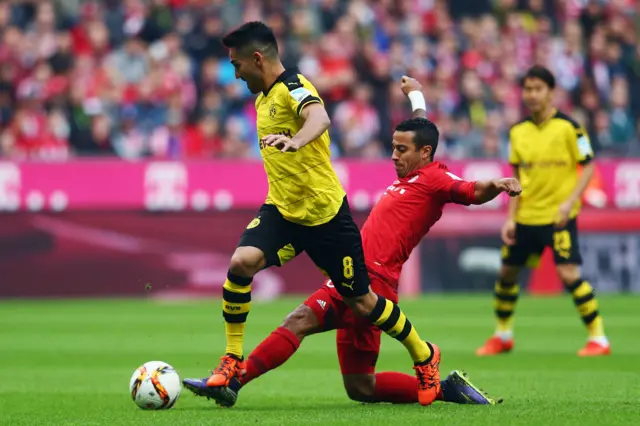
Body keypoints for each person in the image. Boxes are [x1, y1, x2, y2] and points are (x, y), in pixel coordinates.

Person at [184, 77, 520, 407]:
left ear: (425, 152)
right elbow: (422, 127)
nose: (393, 156)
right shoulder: (415, 169)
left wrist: (498, 183)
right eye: (393, 148)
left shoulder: (435, 179)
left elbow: (471, 190)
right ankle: (447, 390)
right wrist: (416, 94)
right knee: (359, 386)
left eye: (401, 150)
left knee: (299, 322)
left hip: (373, 283)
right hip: (352, 272)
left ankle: (232, 382)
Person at [199, 22, 446, 406]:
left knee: (362, 303)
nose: (235, 73)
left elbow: (320, 118)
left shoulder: (294, 87)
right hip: (283, 211)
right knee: (241, 263)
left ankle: (423, 354)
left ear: (257, 58)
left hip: (325, 217)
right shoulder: (263, 98)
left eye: (237, 64)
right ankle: (232, 359)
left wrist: (295, 140)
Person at [476, 65, 610, 357]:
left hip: (558, 216)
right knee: (507, 273)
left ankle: (598, 338)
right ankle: (502, 335)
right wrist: (510, 218)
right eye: (528, 89)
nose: (532, 95)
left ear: (552, 92)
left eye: (538, 89)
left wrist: (570, 201)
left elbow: (588, 165)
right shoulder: (517, 132)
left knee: (569, 273)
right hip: (526, 217)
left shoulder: (570, 128)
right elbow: (515, 180)